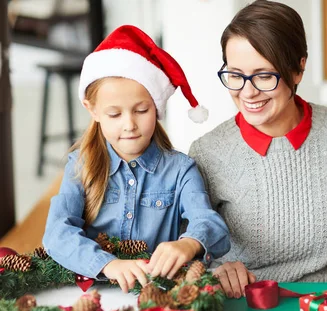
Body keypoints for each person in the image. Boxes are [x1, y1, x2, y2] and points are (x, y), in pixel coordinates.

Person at [188, 0, 327, 298]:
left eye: (264, 75)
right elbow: (183, 257)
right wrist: (210, 271)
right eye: (235, 75)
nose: (247, 91)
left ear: (298, 69)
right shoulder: (207, 153)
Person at [43, 25, 230, 293]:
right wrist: (108, 264)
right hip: (94, 295)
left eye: (141, 110)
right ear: (92, 110)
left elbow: (209, 222)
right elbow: (57, 233)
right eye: (114, 114)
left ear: (157, 107)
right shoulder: (80, 165)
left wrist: (189, 243)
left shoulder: (180, 169)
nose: (130, 124)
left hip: (159, 296)